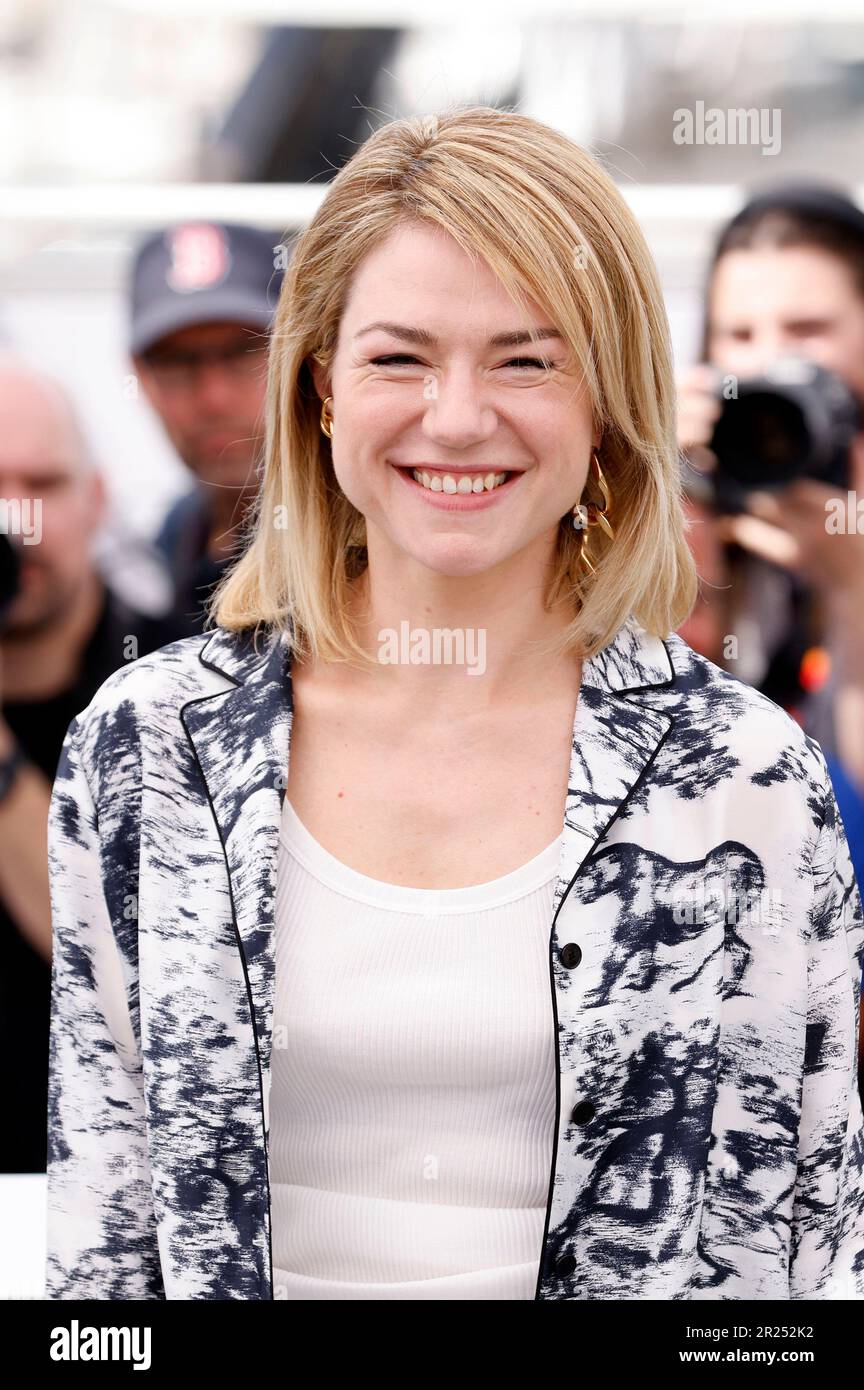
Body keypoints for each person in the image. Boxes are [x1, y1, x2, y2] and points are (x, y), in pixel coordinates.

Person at [45, 107, 864, 1301]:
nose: (460, 416)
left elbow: (800, 1254)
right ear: (322, 389)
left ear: (607, 401)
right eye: (400, 357)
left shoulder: (745, 776)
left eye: (528, 358)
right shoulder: (147, 748)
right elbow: (100, 1255)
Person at [676, 184, 864, 1091]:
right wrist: (637, 486)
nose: (773, 364)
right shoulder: (696, 500)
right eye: (740, 337)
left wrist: (851, 585)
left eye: (809, 328)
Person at [0, 355, 189, 1174]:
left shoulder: (184, 686)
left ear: (99, 500)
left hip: (109, 1198)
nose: (13, 522)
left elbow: (144, 978)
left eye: (40, 485)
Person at [129, 221, 284, 634]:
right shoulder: (167, 545)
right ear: (142, 378)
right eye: (179, 363)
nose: (213, 397)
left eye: (244, 350)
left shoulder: (368, 546)